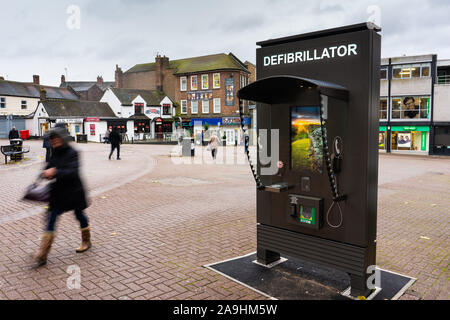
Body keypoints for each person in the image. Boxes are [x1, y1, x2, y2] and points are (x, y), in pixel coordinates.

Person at [33, 126, 91, 267]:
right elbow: (48, 166)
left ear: (63, 138)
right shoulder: (55, 152)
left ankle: (86, 240)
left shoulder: (73, 152)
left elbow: (73, 171)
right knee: (51, 218)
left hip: (74, 191)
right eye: (52, 139)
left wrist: (55, 172)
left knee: (79, 215)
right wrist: (41, 176)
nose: (54, 141)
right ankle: (43, 254)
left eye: (57, 138)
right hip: (58, 193)